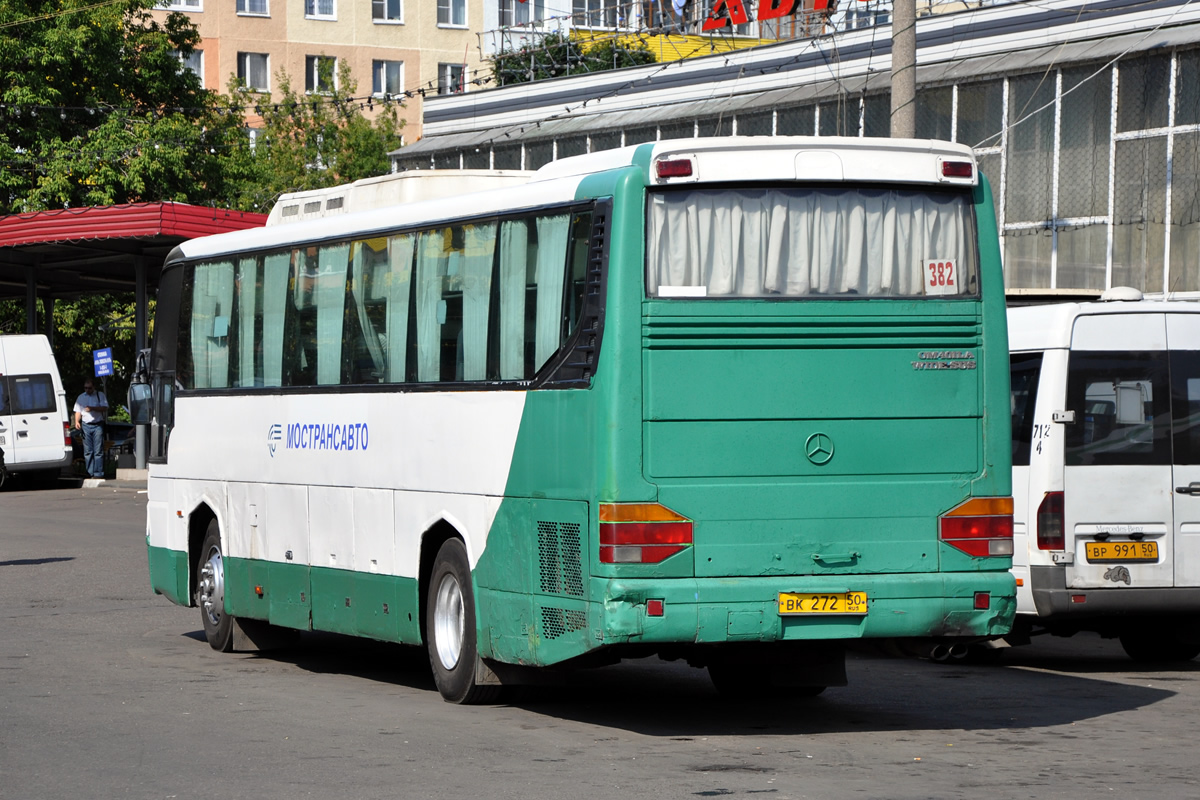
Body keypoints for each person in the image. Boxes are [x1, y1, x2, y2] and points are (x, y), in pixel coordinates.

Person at [73, 379, 108, 479]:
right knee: (88, 450)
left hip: (97, 424)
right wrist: (76, 421)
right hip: (86, 425)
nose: (87, 390)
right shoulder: (81, 397)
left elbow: (105, 407)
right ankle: (90, 472)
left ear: (94, 387)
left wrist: (93, 408)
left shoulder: (99, 395)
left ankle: (98, 472)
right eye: (86, 388)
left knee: (98, 450)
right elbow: (78, 411)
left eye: (89, 388)